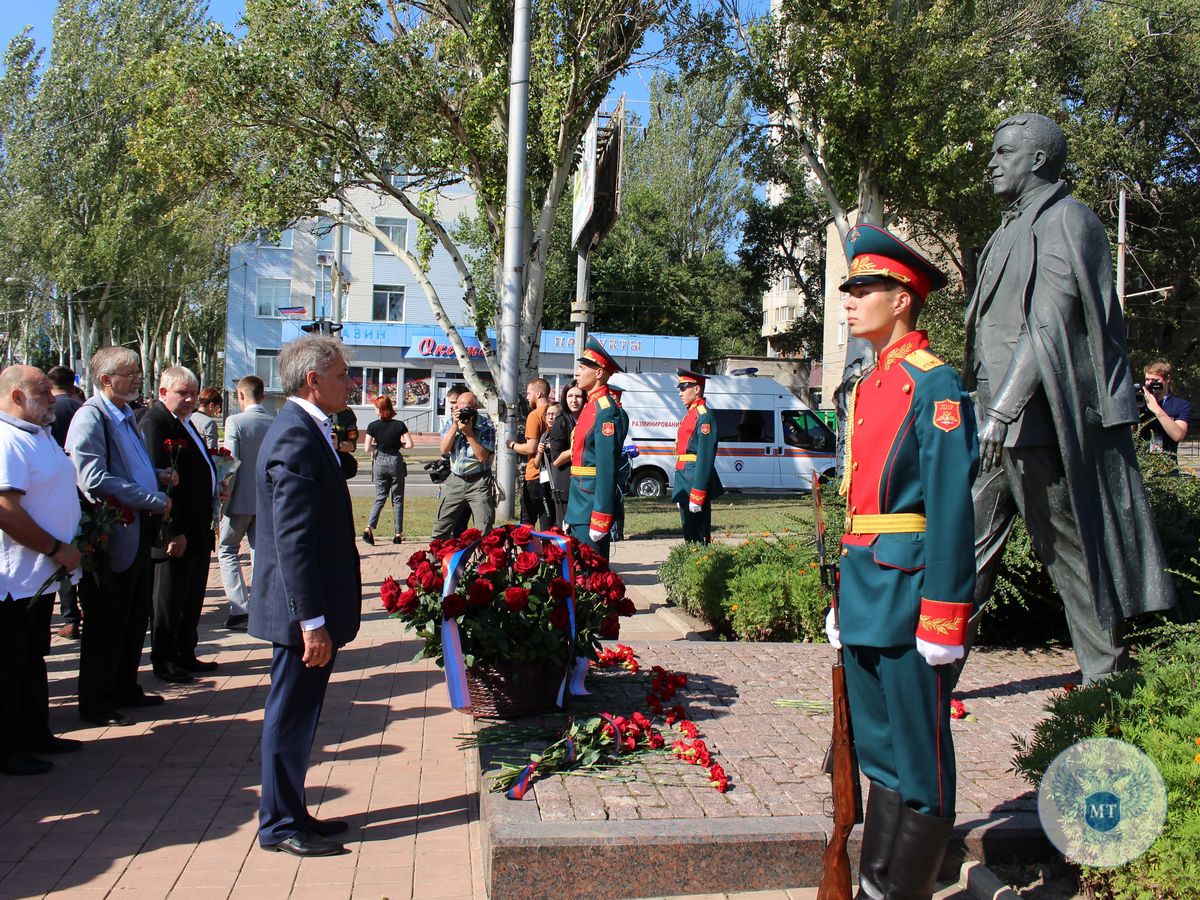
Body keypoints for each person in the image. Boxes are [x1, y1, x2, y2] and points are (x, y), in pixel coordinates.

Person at [963, 113, 1175, 683]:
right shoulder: (1005, 230)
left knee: (1066, 551)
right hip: (994, 417)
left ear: (1036, 160)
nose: (991, 162)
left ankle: (1106, 678)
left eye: (1004, 151)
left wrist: (1005, 409)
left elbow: (1050, 324)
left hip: (1034, 419)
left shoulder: (1068, 220)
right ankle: (934, 676)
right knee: (970, 546)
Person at [825, 224, 979, 899]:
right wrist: (841, 599)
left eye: (864, 289)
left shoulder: (933, 383)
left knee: (920, 762)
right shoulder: (868, 384)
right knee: (879, 752)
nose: (850, 301)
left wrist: (945, 616)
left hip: (913, 592)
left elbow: (949, 506)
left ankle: (901, 889)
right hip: (865, 585)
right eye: (849, 289)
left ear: (904, 298)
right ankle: (876, 883)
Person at [252, 334, 361, 858]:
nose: (351, 383)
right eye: (342, 375)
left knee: (300, 714)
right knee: (289, 713)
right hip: (302, 615)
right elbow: (292, 539)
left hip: (309, 610)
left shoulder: (309, 428)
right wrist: (311, 622)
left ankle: (292, 810)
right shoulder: (295, 434)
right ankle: (277, 824)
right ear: (313, 380)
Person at [66, 347, 172, 726]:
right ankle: (96, 701)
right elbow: (93, 479)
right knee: (107, 620)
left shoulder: (125, 415)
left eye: (136, 372)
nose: (136, 379)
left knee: (131, 617)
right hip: (113, 534)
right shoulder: (90, 418)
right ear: (106, 379)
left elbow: (129, 467)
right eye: (129, 373)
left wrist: (156, 476)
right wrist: (150, 496)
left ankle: (125, 686)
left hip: (137, 528)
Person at [0, 365, 83, 775]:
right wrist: (54, 546)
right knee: (10, 661)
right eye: (43, 392)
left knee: (33, 655)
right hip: (13, 578)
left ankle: (34, 732)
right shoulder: (6, 440)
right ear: (16, 396)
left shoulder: (39, 435)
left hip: (40, 575)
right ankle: (7, 744)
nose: (53, 398)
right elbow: (5, 510)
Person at [140, 366, 219, 685]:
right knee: (169, 599)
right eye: (181, 393)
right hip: (176, 529)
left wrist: (215, 482)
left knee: (190, 595)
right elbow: (157, 481)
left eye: (192, 394)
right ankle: (165, 658)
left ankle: (186, 652)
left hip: (198, 526)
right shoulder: (155, 422)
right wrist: (172, 530)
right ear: (163, 393)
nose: (189, 399)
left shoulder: (186, 423)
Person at [218, 375, 273, 632]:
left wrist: (221, 496)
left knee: (228, 550)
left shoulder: (234, 422)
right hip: (264, 500)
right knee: (259, 552)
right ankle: (263, 605)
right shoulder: (274, 423)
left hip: (238, 500)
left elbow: (230, 462)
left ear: (241, 396)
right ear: (261, 396)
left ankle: (240, 608)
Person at [565, 336, 623, 560]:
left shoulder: (605, 410)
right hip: (579, 501)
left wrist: (601, 515)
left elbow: (607, 468)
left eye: (582, 367)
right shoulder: (592, 406)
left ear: (599, 373)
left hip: (591, 505)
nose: (577, 373)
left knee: (593, 575)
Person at [46, 365, 83, 639]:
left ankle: (70, 616)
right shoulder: (81, 409)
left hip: (58, 490)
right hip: (82, 490)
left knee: (64, 553)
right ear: (73, 384)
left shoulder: (48, 412)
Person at [431, 391, 496, 538]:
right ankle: (434, 560)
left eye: (466, 409)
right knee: (441, 525)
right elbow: (444, 449)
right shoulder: (451, 422)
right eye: (458, 409)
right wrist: (455, 426)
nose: (462, 413)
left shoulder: (486, 424)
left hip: (479, 482)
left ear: (475, 408)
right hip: (456, 480)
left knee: (484, 528)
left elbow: (482, 457)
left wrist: (469, 433)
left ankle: (482, 560)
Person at [671, 369, 723, 544]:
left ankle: (701, 567)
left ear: (697, 389)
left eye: (684, 388)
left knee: (698, 535)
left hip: (694, 479)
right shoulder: (691, 413)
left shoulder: (703, 416)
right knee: (689, 532)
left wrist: (698, 493)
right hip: (685, 478)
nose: (680, 393)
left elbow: (705, 457)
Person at [362, 394, 412, 545]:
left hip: (380, 461)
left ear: (381, 409)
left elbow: (366, 448)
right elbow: (409, 444)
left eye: (376, 408)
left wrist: (378, 446)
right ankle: (397, 533)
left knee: (380, 496)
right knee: (397, 498)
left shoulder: (372, 426)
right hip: (395, 460)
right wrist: (398, 445)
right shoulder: (399, 425)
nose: (375, 411)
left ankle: (369, 527)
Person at [506, 377, 552, 530]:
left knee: (527, 521)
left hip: (535, 474)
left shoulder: (535, 415)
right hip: (553, 474)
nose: (526, 397)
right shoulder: (555, 412)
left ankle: (530, 553)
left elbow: (531, 448)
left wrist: (512, 445)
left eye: (528, 393)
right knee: (548, 521)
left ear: (538, 394)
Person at [1136, 360, 1191, 457]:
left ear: (1168, 378)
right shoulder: (1140, 403)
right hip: (1141, 464)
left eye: (1155, 380)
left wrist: (1156, 409)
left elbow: (1178, 435)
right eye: (1147, 379)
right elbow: (1129, 435)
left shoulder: (1180, 405)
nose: (1149, 384)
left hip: (1168, 466)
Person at [548, 383, 585, 527]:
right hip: (565, 484)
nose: (574, 400)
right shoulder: (561, 421)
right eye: (570, 396)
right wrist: (577, 449)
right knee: (565, 530)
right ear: (564, 398)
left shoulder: (589, 419)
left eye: (578, 396)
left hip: (584, 483)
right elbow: (556, 460)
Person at [538, 403, 564, 529]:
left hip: (558, 480)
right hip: (545, 480)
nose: (550, 417)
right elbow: (536, 463)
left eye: (554, 414)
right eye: (548, 414)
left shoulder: (563, 434)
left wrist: (553, 448)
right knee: (546, 519)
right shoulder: (544, 435)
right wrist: (539, 451)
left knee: (559, 519)